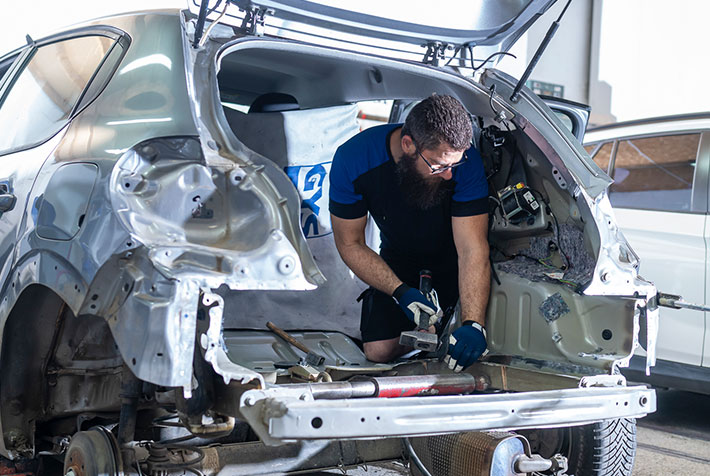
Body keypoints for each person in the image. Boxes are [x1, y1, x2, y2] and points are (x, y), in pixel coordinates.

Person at [328, 94, 490, 371]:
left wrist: (474, 323)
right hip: (396, 259)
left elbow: (471, 248)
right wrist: (400, 291)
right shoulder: (353, 159)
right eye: (439, 166)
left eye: (455, 165)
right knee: (378, 351)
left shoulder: (466, 164)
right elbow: (350, 243)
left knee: (461, 343)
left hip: (453, 261)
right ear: (408, 145)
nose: (449, 175)